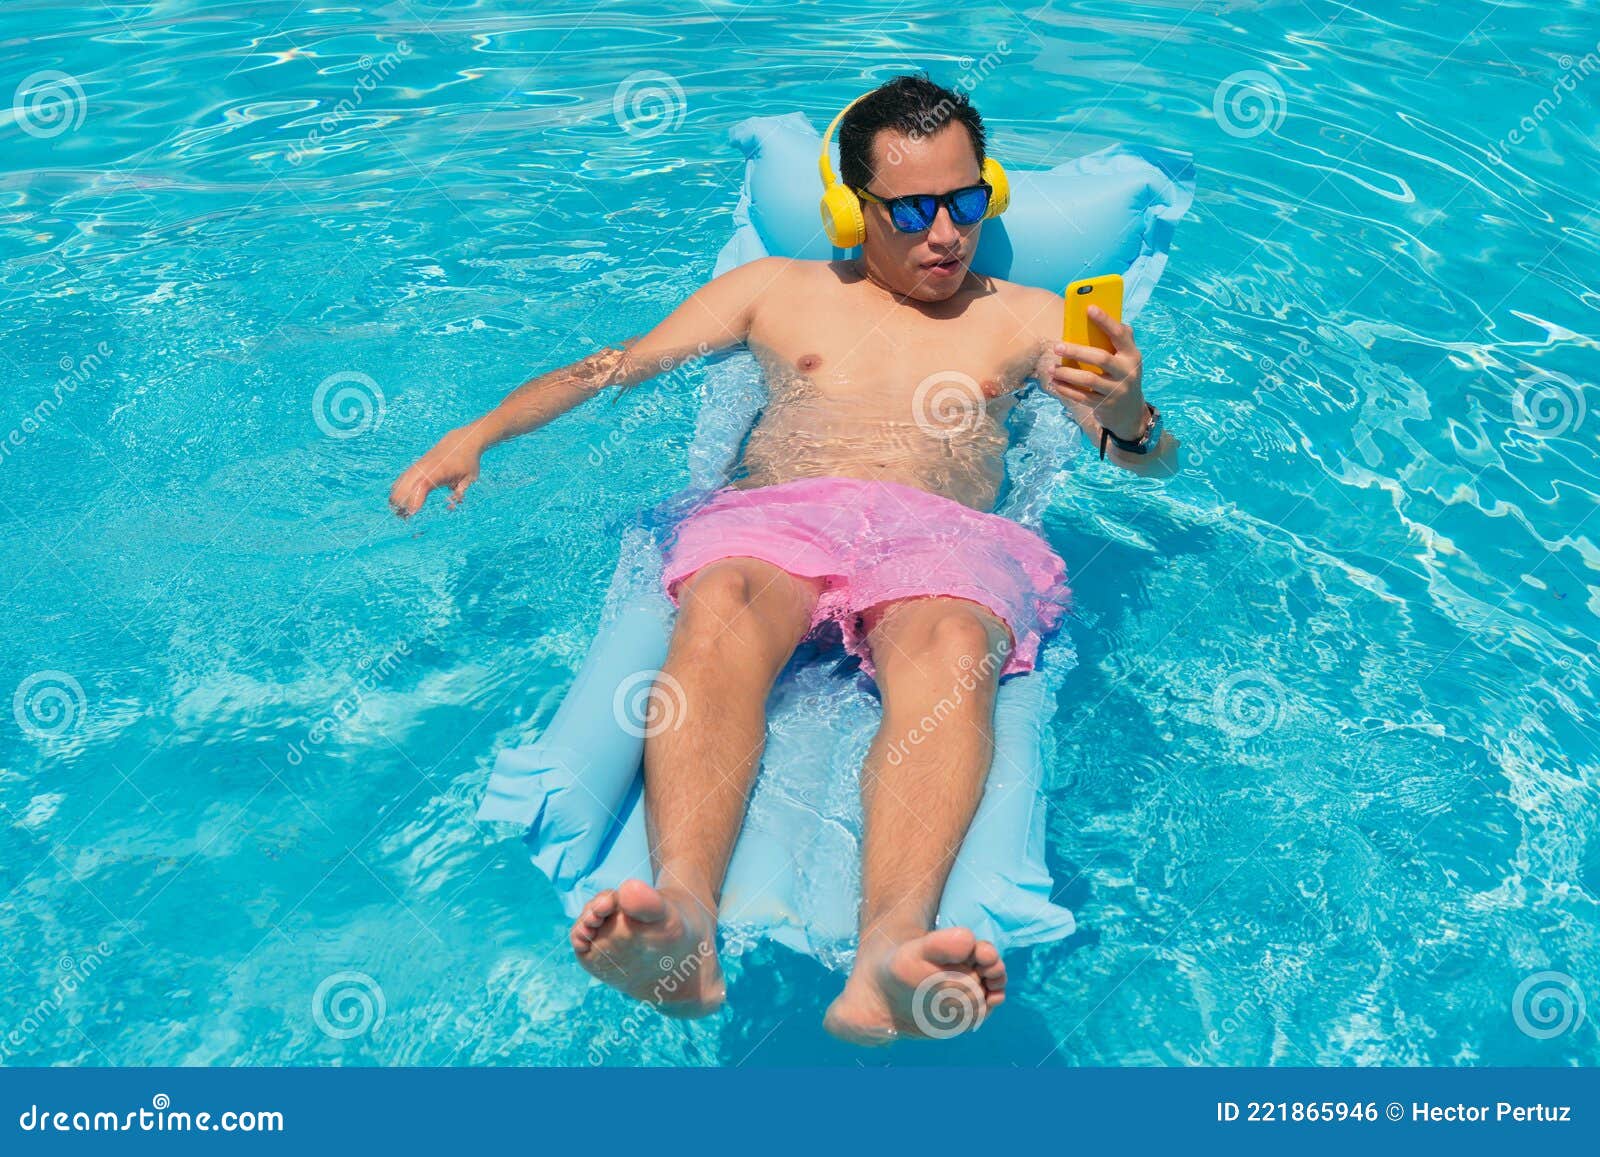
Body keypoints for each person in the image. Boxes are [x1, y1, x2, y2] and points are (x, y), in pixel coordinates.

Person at [389, 74, 1174, 1045]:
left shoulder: (1028, 314)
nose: (945, 233)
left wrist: (1127, 409)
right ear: (851, 207)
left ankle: (889, 948)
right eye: (914, 209)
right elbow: (617, 364)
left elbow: (1141, 461)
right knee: (718, 602)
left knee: (945, 638)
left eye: (968, 202)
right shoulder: (774, 291)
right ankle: (682, 915)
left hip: (941, 537)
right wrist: (480, 431)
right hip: (776, 519)